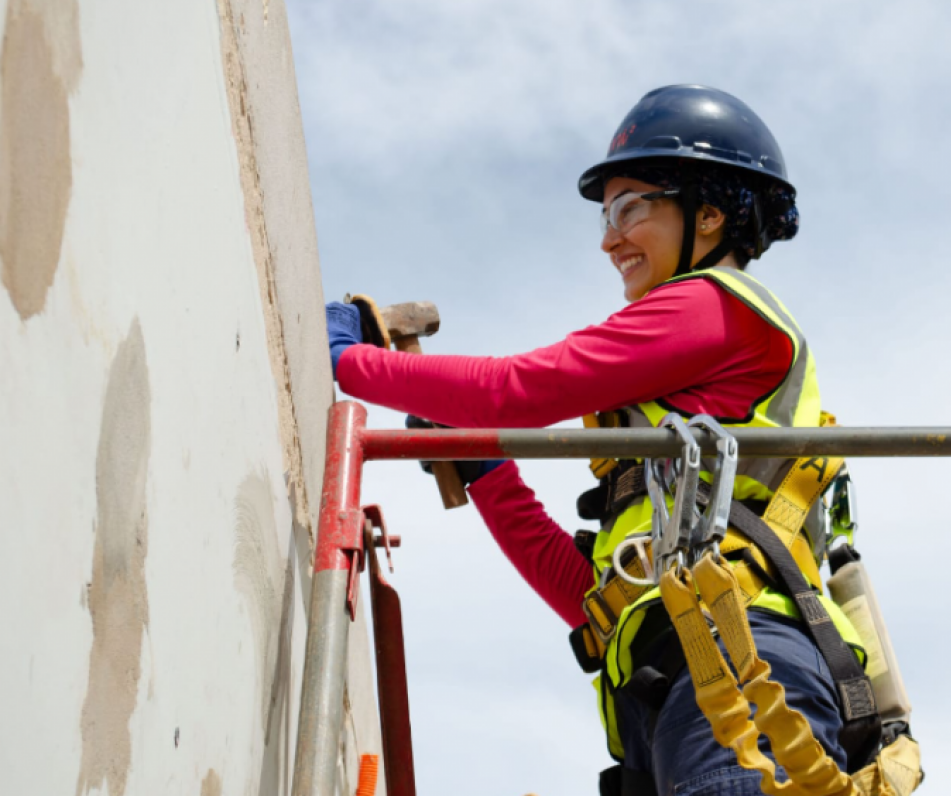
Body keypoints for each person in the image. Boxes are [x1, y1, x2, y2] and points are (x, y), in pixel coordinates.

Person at [326, 85, 875, 796]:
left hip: (747, 670)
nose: (610, 238)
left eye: (630, 207)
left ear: (709, 214)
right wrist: (491, 474)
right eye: (606, 215)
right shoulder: (677, 438)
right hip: (679, 681)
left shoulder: (717, 304)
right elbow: (591, 597)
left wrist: (347, 360)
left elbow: (521, 387)